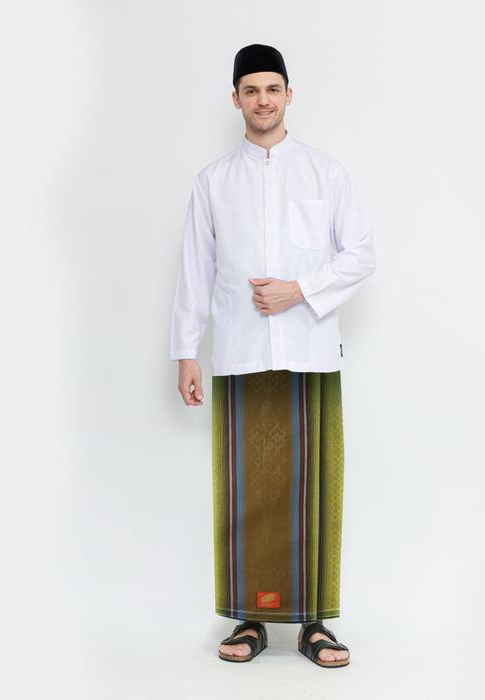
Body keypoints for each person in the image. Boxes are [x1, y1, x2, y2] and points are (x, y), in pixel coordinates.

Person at [169, 43, 375, 668]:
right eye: (251, 90)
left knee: (314, 488)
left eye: (273, 89)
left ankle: (315, 624)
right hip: (240, 351)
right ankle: (249, 618)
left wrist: (300, 290)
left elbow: (361, 254)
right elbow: (195, 271)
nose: (263, 100)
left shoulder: (324, 174)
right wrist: (185, 351)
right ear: (236, 99)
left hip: (310, 351)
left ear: (289, 95)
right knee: (246, 490)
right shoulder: (213, 182)